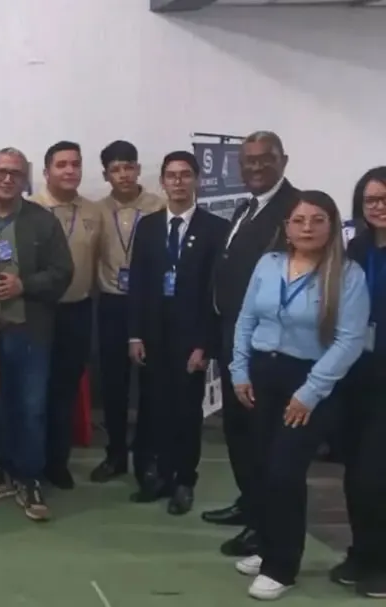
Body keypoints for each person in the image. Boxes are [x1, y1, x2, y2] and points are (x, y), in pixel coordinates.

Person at [229, 191, 368, 600]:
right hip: (262, 374)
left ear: (332, 225)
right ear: (286, 228)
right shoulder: (268, 264)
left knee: (284, 472)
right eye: (299, 220)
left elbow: (349, 341)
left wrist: (309, 392)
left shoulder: (348, 275)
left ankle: (282, 566)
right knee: (260, 466)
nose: (307, 227)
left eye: (318, 220)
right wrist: (239, 370)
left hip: (310, 382)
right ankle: (267, 544)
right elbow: (246, 319)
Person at [208, 131, 300, 558]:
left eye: (266, 159)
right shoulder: (246, 207)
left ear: (283, 160)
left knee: (261, 436)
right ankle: (250, 504)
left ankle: (265, 525)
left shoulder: (294, 210)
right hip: (234, 338)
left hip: (267, 344)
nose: (256, 167)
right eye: (248, 160)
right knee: (238, 430)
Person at [0, 147, 73, 521]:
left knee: (31, 408)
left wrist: (23, 285)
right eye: (1, 171)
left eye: (15, 173)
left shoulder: (43, 221)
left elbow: (63, 272)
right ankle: (6, 469)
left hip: (29, 330)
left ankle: (30, 478)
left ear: (25, 178)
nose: (7, 178)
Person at [126, 151, 228, 515]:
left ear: (197, 180)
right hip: (152, 335)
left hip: (190, 338)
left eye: (186, 175)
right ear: (162, 182)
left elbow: (215, 292)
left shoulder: (215, 229)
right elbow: (137, 284)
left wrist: (204, 344)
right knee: (153, 408)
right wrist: (134, 335)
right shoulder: (149, 226)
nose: (179, 181)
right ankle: (158, 476)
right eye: (171, 175)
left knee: (186, 412)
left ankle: (185, 480)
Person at [91, 140, 164, 483]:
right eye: (115, 169)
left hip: (150, 304)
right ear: (106, 175)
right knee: (113, 384)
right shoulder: (96, 211)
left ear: (138, 169)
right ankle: (116, 453)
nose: (123, 175)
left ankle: (147, 454)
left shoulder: (158, 206)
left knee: (150, 382)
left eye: (128, 167)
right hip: (111, 304)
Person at [31, 141, 102, 490]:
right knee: (32, 390)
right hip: (36, 312)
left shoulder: (93, 212)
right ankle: (28, 462)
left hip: (77, 311)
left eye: (75, 164)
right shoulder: (30, 210)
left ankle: (57, 463)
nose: (70, 170)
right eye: (61, 165)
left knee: (64, 391)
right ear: (46, 172)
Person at [332, 166, 386, 598]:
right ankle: (362, 553)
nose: (378, 207)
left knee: (374, 474)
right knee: (354, 473)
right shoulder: (358, 248)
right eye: (371, 200)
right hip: (357, 374)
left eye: (385, 199)